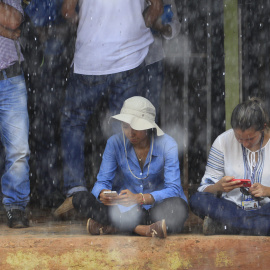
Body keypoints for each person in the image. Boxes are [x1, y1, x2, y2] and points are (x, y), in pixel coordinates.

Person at [54, 0, 164, 216]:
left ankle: (75, 191)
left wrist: (90, 27)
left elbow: (67, 12)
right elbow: (157, 8)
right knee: (124, 127)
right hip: (130, 59)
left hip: (91, 59)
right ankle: (119, 195)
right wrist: (135, 28)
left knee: (73, 123)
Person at [64, 96, 188, 238]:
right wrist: (103, 194)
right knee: (80, 199)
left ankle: (114, 226)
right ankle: (143, 229)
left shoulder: (168, 144)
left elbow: (174, 190)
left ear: (148, 126)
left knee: (179, 208)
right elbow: (102, 183)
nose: (130, 133)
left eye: (136, 127)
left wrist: (140, 198)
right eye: (125, 126)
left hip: (157, 208)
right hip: (127, 209)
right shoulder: (114, 143)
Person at [21, 0, 77, 209]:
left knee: (46, 131)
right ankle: (41, 190)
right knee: (31, 132)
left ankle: (48, 191)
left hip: (50, 69)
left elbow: (70, 23)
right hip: (28, 69)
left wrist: (45, 33)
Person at [190, 97, 270, 236]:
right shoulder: (222, 141)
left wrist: (267, 191)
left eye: (250, 138)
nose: (244, 143)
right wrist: (218, 187)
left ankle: (227, 227)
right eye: (239, 138)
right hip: (232, 209)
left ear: (263, 127)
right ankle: (257, 227)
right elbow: (204, 188)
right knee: (197, 200)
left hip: (265, 209)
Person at [0, 0, 30, 228]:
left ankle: (16, 206)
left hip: (9, 79)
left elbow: (13, 21)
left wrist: (7, 29)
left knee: (18, 150)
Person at [142, 0, 180, 121]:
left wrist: (163, 28)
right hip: (127, 60)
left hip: (153, 59)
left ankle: (149, 137)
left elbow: (175, 25)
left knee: (151, 110)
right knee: (127, 110)